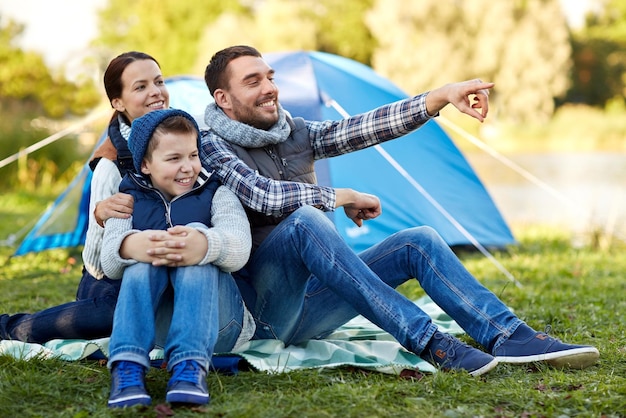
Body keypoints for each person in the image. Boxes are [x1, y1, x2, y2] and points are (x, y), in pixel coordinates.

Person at [190, 45, 599, 377]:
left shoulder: (295, 131)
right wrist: (342, 195)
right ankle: (432, 343)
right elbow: (264, 196)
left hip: (316, 303)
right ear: (223, 98)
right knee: (305, 221)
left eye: (270, 77)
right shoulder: (209, 145)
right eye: (253, 81)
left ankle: (509, 335)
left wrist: (439, 97)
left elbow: (367, 127)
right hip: (264, 312)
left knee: (417, 241)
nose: (270, 88)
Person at [0, 52, 253, 364]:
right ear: (118, 103)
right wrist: (102, 219)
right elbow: (98, 265)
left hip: (178, 264)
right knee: (121, 305)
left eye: (159, 82)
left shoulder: (187, 133)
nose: (156, 92)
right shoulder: (110, 166)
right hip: (117, 278)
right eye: (141, 87)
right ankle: (11, 328)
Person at [101, 109, 252, 408]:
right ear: (145, 164)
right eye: (174, 159)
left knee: (196, 233)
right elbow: (109, 261)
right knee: (142, 252)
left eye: (193, 155)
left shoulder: (216, 192)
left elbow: (239, 248)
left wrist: (204, 243)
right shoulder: (128, 198)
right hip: (158, 329)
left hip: (221, 324)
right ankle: (128, 366)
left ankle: (190, 365)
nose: (188, 168)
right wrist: (134, 245)